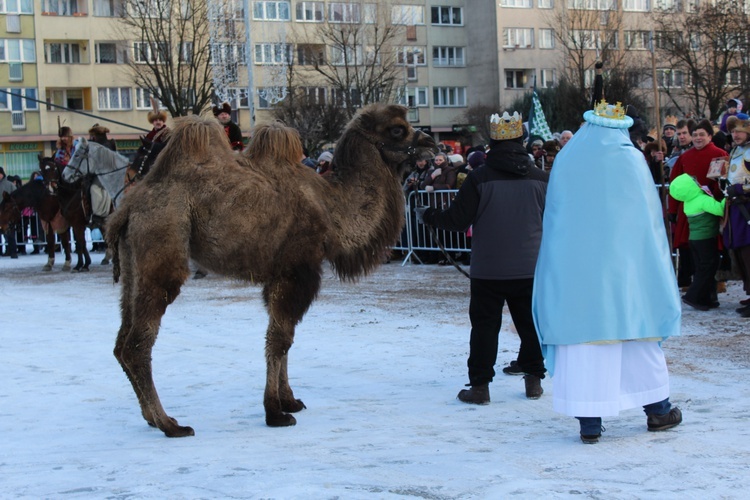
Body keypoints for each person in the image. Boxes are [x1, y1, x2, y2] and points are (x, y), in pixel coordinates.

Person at [532, 100, 683, 444]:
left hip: (576, 274)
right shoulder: (631, 159)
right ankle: (658, 409)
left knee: (583, 346)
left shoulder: (568, 160)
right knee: (636, 337)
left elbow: (556, 215)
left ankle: (589, 423)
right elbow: (647, 221)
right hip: (627, 272)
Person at [416, 110, 549, 402]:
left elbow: (457, 220)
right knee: (531, 325)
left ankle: (480, 387)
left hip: (489, 268)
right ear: (522, 141)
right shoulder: (542, 178)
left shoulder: (479, 178)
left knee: (485, 328)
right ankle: (534, 379)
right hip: (531, 266)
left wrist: (430, 216)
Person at [668, 119, 725, 291]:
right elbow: (675, 183)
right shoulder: (684, 157)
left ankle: (716, 282)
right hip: (689, 209)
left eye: (702, 135)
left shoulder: (720, 154)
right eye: (695, 135)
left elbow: (724, 184)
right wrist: (672, 208)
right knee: (690, 244)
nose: (698, 138)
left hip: (711, 206)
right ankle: (692, 281)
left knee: (713, 246)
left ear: (709, 136)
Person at [669, 173, 726, 310]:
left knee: (702, 268)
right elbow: (720, 209)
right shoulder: (701, 200)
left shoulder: (688, 202)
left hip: (695, 239)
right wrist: (726, 197)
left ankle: (704, 298)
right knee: (708, 267)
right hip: (705, 239)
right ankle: (692, 296)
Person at [724, 115, 750, 316]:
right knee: (740, 252)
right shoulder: (735, 151)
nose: (736, 134)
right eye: (733, 131)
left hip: (747, 206)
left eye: (740, 130)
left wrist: (740, 189)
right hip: (735, 208)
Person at [0, 166, 18, 258]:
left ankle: (13, 252)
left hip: (7, 212)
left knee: (10, 232)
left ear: (2, 174)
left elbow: (16, 196)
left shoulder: (10, 184)